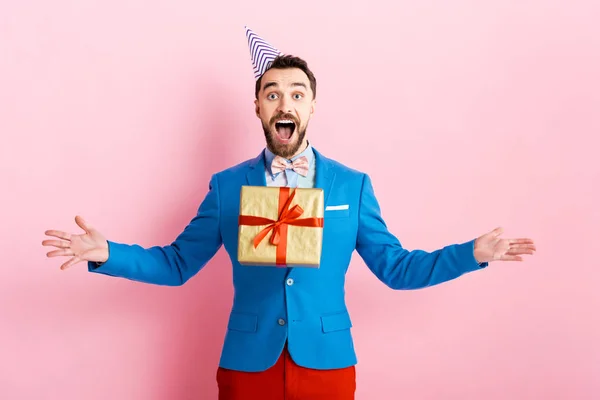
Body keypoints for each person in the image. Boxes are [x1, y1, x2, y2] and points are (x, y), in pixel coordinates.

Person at [42, 27, 536, 400]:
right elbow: (176, 265)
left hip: (327, 364)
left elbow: (398, 269)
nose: (285, 102)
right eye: (272, 92)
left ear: (313, 107)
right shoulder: (227, 187)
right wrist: (108, 253)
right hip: (247, 364)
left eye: (297, 93)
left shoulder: (352, 186)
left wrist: (472, 254)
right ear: (257, 107)